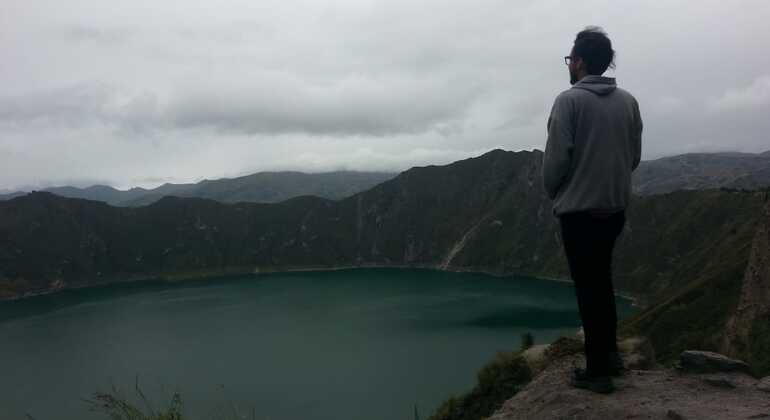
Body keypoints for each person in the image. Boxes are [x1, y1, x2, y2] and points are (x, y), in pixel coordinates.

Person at [542, 26, 642, 394]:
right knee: (603, 281)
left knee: (588, 287)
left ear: (580, 62)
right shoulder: (628, 101)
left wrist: (557, 192)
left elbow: (555, 161)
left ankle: (597, 371)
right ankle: (610, 356)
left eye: (571, 59)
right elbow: (633, 156)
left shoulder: (568, 101)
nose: (570, 66)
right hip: (614, 210)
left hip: (579, 212)